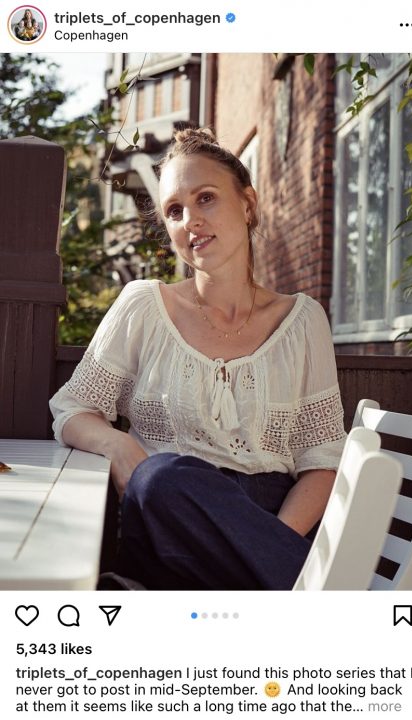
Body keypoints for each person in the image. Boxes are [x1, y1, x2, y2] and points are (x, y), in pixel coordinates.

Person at [49, 128, 346, 590]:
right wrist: (122, 448)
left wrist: (261, 545)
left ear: (248, 204)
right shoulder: (144, 306)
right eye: (174, 211)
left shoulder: (303, 321)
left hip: (271, 519)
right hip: (166, 517)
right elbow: (73, 410)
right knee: (160, 477)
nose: (190, 220)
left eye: (205, 198)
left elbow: (322, 458)